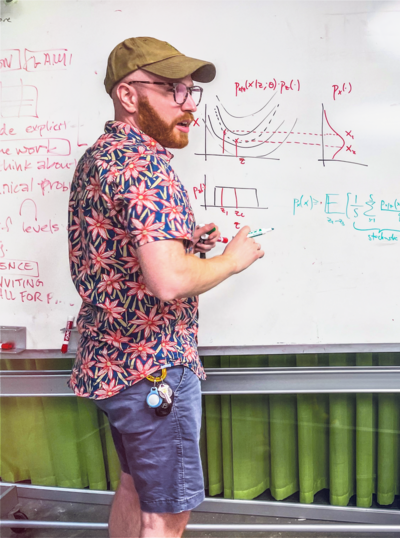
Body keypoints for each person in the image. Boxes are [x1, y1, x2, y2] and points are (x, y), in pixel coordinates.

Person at [67, 37, 263, 538]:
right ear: (129, 96)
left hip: (113, 363)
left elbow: (119, 252)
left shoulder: (98, 158)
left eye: (191, 91)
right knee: (166, 515)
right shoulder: (146, 166)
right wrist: (230, 261)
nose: (189, 105)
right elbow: (170, 281)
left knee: (134, 487)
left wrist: (180, 243)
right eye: (173, 90)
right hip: (153, 369)